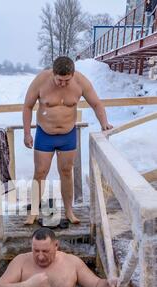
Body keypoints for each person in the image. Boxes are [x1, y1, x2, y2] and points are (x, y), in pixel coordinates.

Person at [23, 56, 113, 225]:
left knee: (66, 172)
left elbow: (96, 104)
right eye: (59, 80)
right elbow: (27, 106)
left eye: (66, 80)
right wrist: (27, 133)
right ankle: (34, 212)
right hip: (45, 135)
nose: (63, 84)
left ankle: (69, 211)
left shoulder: (80, 81)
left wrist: (104, 123)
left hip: (68, 135)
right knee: (40, 172)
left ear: (72, 74)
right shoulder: (41, 80)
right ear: (53, 74)